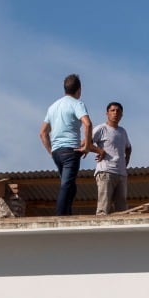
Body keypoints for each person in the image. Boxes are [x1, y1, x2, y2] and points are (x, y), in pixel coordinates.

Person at [39, 74, 92, 216]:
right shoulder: (76, 104)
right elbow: (87, 124)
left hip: (57, 152)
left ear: (65, 89)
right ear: (79, 90)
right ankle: (60, 217)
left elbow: (43, 133)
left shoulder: (53, 107)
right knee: (66, 185)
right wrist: (87, 146)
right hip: (71, 150)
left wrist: (51, 152)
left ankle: (67, 212)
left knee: (70, 185)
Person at [91, 101, 133, 215]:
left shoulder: (122, 131)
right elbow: (86, 143)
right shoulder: (101, 129)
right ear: (107, 113)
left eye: (118, 111)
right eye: (112, 110)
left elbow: (128, 147)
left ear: (121, 115)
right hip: (106, 172)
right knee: (103, 209)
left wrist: (127, 159)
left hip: (121, 174)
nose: (115, 113)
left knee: (122, 210)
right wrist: (99, 150)